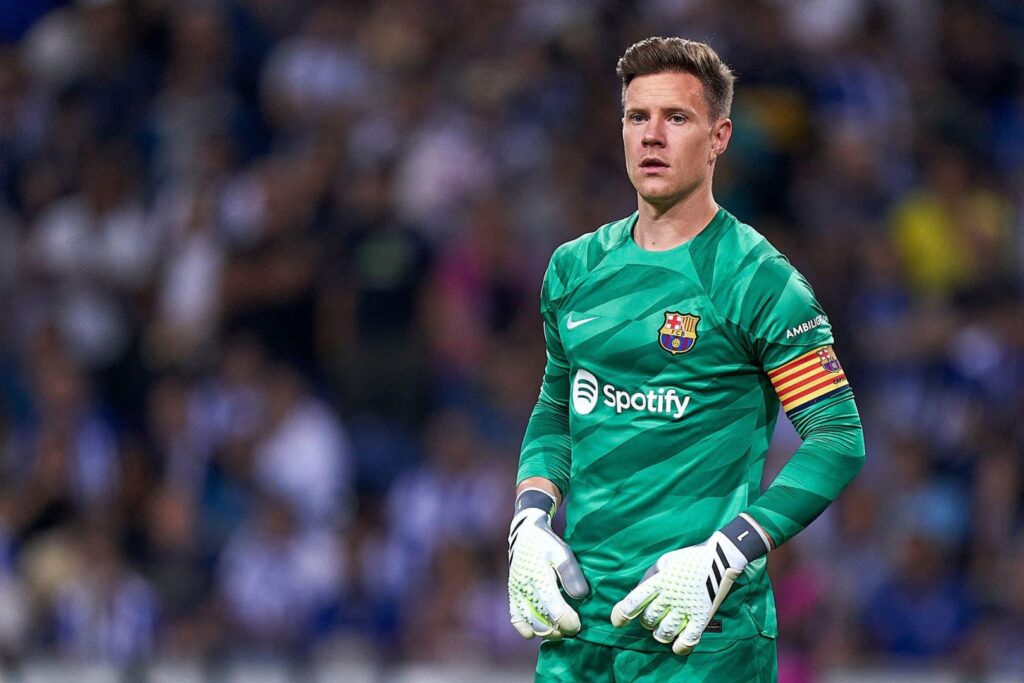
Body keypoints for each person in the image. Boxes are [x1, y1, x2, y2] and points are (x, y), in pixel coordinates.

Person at [507, 37, 865, 682]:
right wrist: (529, 521)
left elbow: (837, 440)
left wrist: (731, 550)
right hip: (578, 626)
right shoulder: (573, 268)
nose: (651, 136)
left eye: (676, 118)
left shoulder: (761, 282)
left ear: (720, 135)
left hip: (702, 635)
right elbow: (557, 410)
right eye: (636, 117)